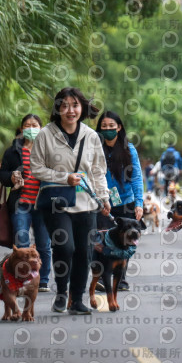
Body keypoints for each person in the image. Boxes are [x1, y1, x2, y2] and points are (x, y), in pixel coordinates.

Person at [30, 87, 110, 315]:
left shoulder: (91, 136)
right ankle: (62, 292)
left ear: (82, 108)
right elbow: (36, 168)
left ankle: (76, 299)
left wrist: (104, 198)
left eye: (75, 105)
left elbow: (97, 171)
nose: (70, 110)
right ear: (57, 108)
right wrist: (64, 177)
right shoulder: (45, 134)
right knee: (65, 247)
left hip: (87, 202)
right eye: (64, 105)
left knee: (84, 252)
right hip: (57, 201)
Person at [0, 114, 52, 292]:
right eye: (27, 125)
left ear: (41, 128)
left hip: (42, 205)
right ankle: (22, 279)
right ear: (21, 129)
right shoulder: (13, 151)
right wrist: (11, 176)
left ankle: (42, 280)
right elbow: (2, 175)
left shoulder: (48, 150)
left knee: (43, 244)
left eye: (35, 125)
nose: (31, 128)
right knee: (21, 243)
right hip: (20, 204)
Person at [95, 110, 144, 291]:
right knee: (102, 239)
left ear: (119, 128)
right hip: (101, 203)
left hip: (125, 202)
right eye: (104, 126)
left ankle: (121, 278)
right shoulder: (95, 148)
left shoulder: (129, 150)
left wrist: (139, 203)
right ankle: (102, 276)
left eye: (111, 126)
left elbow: (137, 178)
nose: (107, 129)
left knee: (126, 241)